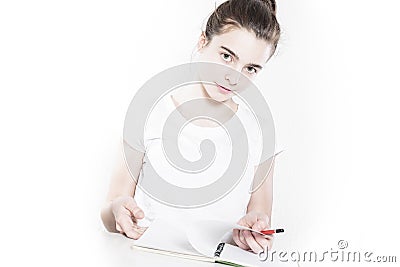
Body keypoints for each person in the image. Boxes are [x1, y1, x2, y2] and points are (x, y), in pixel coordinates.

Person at [101, 0, 281, 254]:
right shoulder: (148, 113)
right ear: (202, 42)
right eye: (227, 56)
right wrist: (117, 209)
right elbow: (110, 210)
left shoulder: (258, 131)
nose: (234, 77)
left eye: (250, 68)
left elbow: (260, 215)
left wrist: (256, 231)